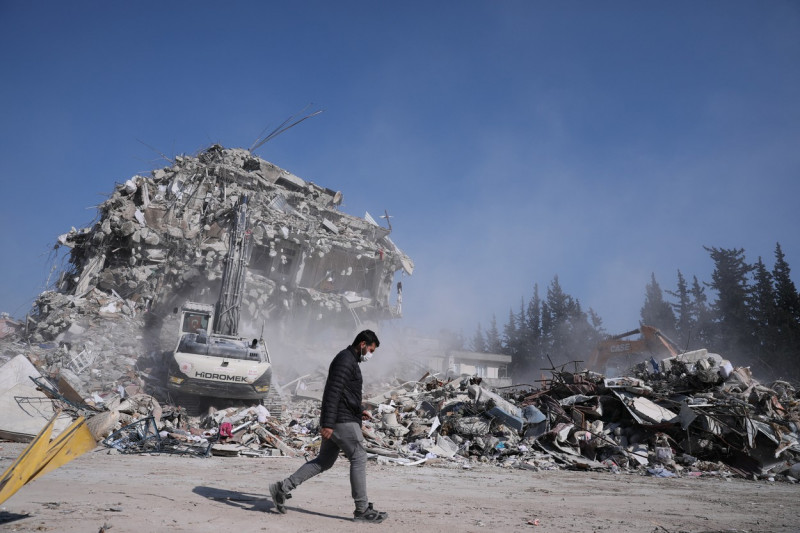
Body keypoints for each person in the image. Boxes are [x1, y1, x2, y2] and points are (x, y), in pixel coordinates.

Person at [269, 329, 388, 523]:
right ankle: (362, 509)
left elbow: (345, 393)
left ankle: (282, 488)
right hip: (341, 421)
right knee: (359, 456)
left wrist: (359, 410)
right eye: (371, 350)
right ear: (363, 344)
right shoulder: (345, 360)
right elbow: (332, 392)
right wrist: (328, 423)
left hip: (343, 418)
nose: (371, 355)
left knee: (324, 460)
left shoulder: (349, 360)